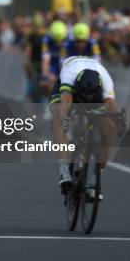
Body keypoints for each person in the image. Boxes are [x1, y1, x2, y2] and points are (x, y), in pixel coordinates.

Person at [50, 56, 120, 201]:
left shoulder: (106, 81)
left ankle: (97, 177)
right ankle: (64, 170)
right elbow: (65, 104)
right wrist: (65, 121)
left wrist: (119, 124)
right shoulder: (70, 76)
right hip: (69, 90)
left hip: (95, 94)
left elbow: (112, 107)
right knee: (58, 117)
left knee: (109, 128)